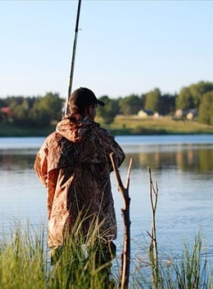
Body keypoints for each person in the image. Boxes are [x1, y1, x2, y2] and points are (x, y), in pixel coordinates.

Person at [34, 87, 125, 268]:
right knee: (100, 275)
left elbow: (40, 171)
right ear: (90, 109)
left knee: (64, 276)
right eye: (95, 108)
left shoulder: (53, 140)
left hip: (63, 217)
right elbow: (118, 157)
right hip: (98, 215)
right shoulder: (100, 138)